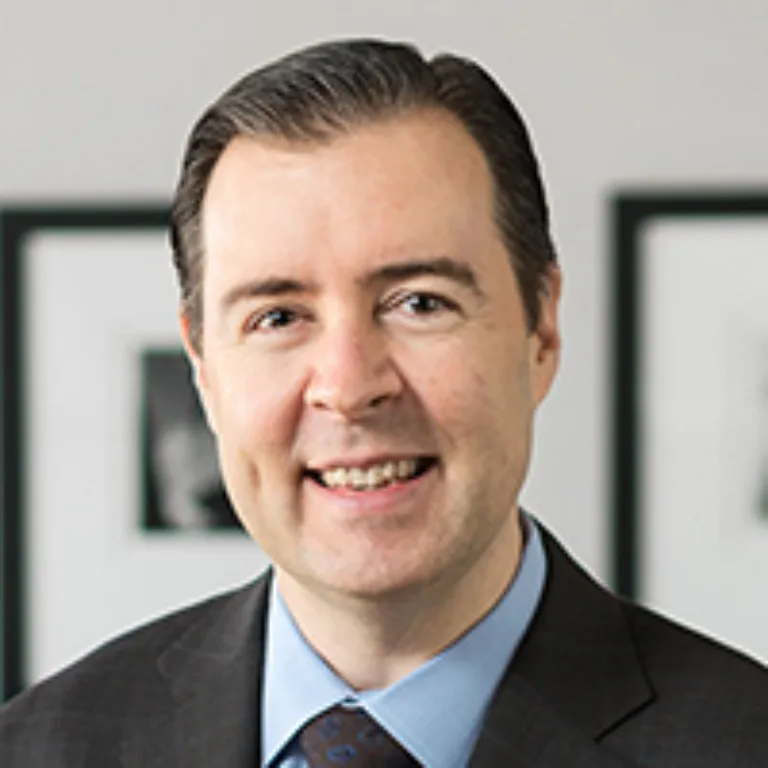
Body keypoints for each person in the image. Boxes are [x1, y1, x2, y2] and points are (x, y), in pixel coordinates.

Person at [1, 38, 766, 768]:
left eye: (419, 303)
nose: (349, 385)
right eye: (277, 317)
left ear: (541, 330)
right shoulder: (38, 749)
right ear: (203, 367)